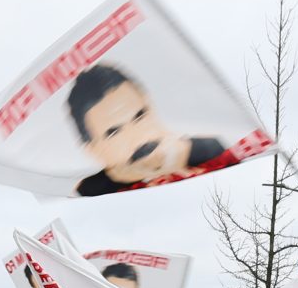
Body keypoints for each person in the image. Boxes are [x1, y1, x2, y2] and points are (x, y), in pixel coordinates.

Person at [66, 63, 231, 197]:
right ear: (93, 150)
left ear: (151, 107)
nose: (137, 136)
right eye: (114, 132)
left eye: (140, 116)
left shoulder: (211, 151)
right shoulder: (90, 196)